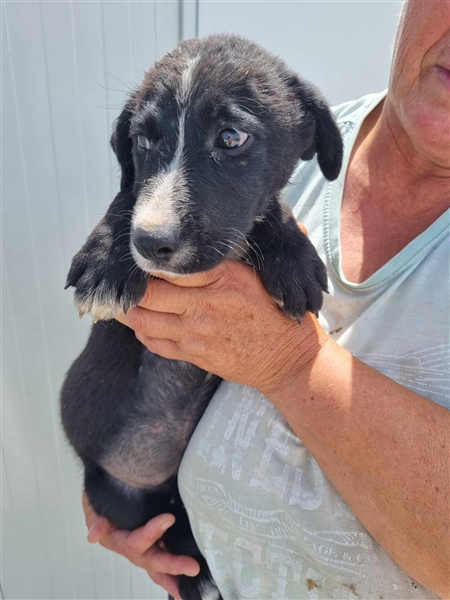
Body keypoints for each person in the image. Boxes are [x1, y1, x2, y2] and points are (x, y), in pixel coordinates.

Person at [83, 1, 449, 598]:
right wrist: (117, 486)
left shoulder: (283, 123)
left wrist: (292, 362)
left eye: (231, 139)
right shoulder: (289, 121)